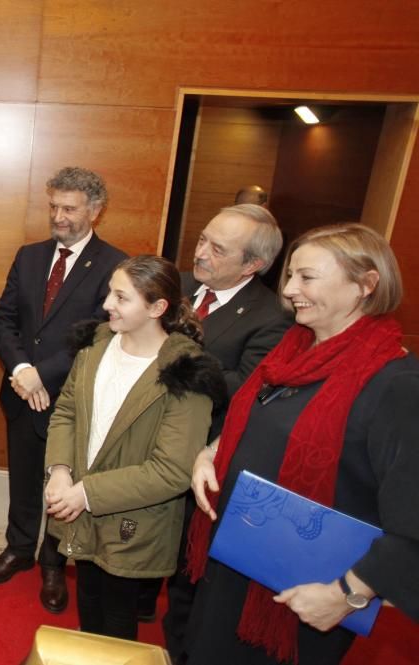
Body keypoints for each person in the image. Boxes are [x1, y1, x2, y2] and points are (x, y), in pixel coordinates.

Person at [185, 223, 419, 665]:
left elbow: (413, 522)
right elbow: (255, 425)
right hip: (233, 565)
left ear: (366, 285)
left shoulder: (398, 386)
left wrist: (348, 595)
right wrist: (210, 452)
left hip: (308, 597)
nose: (290, 289)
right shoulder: (292, 351)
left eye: (307, 277)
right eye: (290, 275)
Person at [43, 255, 224, 639]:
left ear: (157, 308)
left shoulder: (185, 370)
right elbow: (66, 412)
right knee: (88, 599)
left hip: (133, 520)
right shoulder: (97, 343)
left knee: (117, 618)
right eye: (111, 291)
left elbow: (172, 470)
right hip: (81, 505)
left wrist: (86, 493)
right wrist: (59, 470)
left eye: (122, 297)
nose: (107, 303)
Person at [0, 167, 127, 614]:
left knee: (63, 484)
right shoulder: (29, 256)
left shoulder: (114, 265)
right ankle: (20, 548)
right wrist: (24, 370)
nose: (58, 216)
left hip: (72, 398)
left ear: (95, 212)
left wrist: (44, 374)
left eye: (69, 208)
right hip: (23, 391)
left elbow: (103, 333)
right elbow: (3, 318)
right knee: (24, 476)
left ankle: (53, 562)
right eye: (54, 206)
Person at [156, 204, 291, 650]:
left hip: (204, 456)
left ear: (253, 264)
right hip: (151, 443)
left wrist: (168, 363)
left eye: (218, 248)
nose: (201, 253)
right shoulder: (179, 284)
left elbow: (242, 388)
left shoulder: (271, 317)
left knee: (186, 573)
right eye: (201, 239)